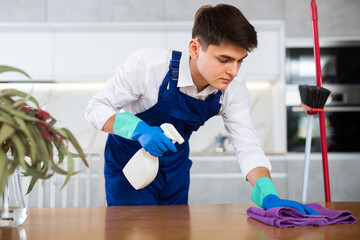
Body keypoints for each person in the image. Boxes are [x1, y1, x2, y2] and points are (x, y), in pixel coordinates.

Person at [85, 4, 318, 215]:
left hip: (175, 168)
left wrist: (268, 194)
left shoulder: (232, 87)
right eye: (224, 59)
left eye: (240, 61)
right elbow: (95, 107)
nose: (234, 71)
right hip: (130, 167)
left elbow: (247, 144)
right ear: (195, 49)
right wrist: (138, 129)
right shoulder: (148, 67)